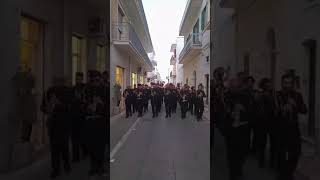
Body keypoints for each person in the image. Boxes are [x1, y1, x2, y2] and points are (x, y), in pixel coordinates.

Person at [276, 74, 307, 180]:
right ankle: (282, 175)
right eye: (285, 83)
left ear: (292, 84)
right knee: (281, 153)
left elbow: (304, 110)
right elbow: (272, 112)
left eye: (289, 83)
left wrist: (295, 105)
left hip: (293, 129)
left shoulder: (297, 95)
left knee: (296, 153)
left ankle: (288, 173)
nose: (287, 85)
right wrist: (282, 110)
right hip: (281, 129)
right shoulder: (277, 95)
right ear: (282, 83)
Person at [41, 77, 72, 179]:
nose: (58, 83)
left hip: (64, 123)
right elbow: (43, 107)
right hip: (53, 124)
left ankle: (67, 166)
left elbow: (70, 106)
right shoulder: (49, 91)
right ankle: (55, 169)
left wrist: (59, 104)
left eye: (60, 81)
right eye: (56, 81)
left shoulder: (67, 91)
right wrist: (49, 107)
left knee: (64, 147)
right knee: (54, 148)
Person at [84, 71, 107, 177]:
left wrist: (101, 103)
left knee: (100, 146)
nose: (95, 83)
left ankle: (100, 166)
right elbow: (82, 106)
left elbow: (107, 108)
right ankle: (93, 167)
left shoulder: (104, 90)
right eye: (92, 80)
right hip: (90, 122)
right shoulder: (87, 91)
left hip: (101, 122)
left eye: (97, 80)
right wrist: (88, 107)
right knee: (92, 146)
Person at [255, 78, 278, 168]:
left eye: (269, 84)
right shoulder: (260, 94)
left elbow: (276, 106)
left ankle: (272, 162)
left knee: (273, 143)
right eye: (267, 84)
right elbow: (257, 105)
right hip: (262, 121)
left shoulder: (274, 94)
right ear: (263, 85)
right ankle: (261, 161)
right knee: (262, 143)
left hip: (272, 121)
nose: (269, 86)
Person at [70, 72, 87, 163]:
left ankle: (84, 152)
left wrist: (81, 99)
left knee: (83, 135)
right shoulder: (73, 89)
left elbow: (86, 100)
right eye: (77, 78)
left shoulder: (85, 88)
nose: (78, 80)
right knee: (74, 137)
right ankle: (75, 156)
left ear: (82, 78)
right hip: (74, 115)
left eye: (79, 78)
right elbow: (70, 101)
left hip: (82, 115)